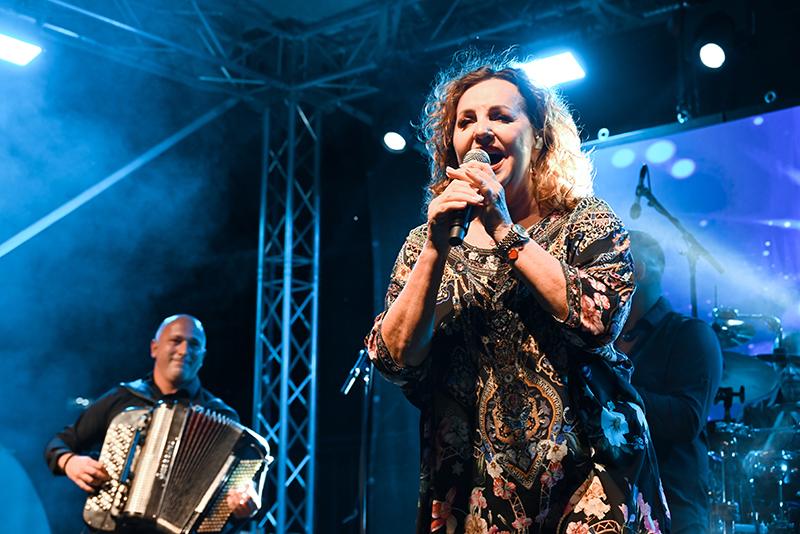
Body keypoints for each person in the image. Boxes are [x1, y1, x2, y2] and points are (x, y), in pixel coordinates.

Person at [365, 50, 669, 534]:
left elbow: (598, 321)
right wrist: (437, 248)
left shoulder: (585, 221)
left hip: (590, 476)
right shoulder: (426, 244)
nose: (481, 131)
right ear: (451, 145)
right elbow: (393, 358)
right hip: (475, 487)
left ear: (538, 136)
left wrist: (504, 229)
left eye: (501, 117)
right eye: (466, 121)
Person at [45, 314, 260, 529]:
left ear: (202, 357)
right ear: (154, 348)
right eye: (176, 341)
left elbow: (232, 496)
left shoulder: (221, 416)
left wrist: (241, 502)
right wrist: (70, 462)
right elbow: (59, 443)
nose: (184, 351)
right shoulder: (123, 397)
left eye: (194, 345)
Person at [614, 230, 722, 534]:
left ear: (637, 270)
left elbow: (687, 419)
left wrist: (614, 392)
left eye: (608, 264)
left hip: (674, 507)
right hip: (617, 504)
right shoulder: (604, 341)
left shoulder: (690, 335)